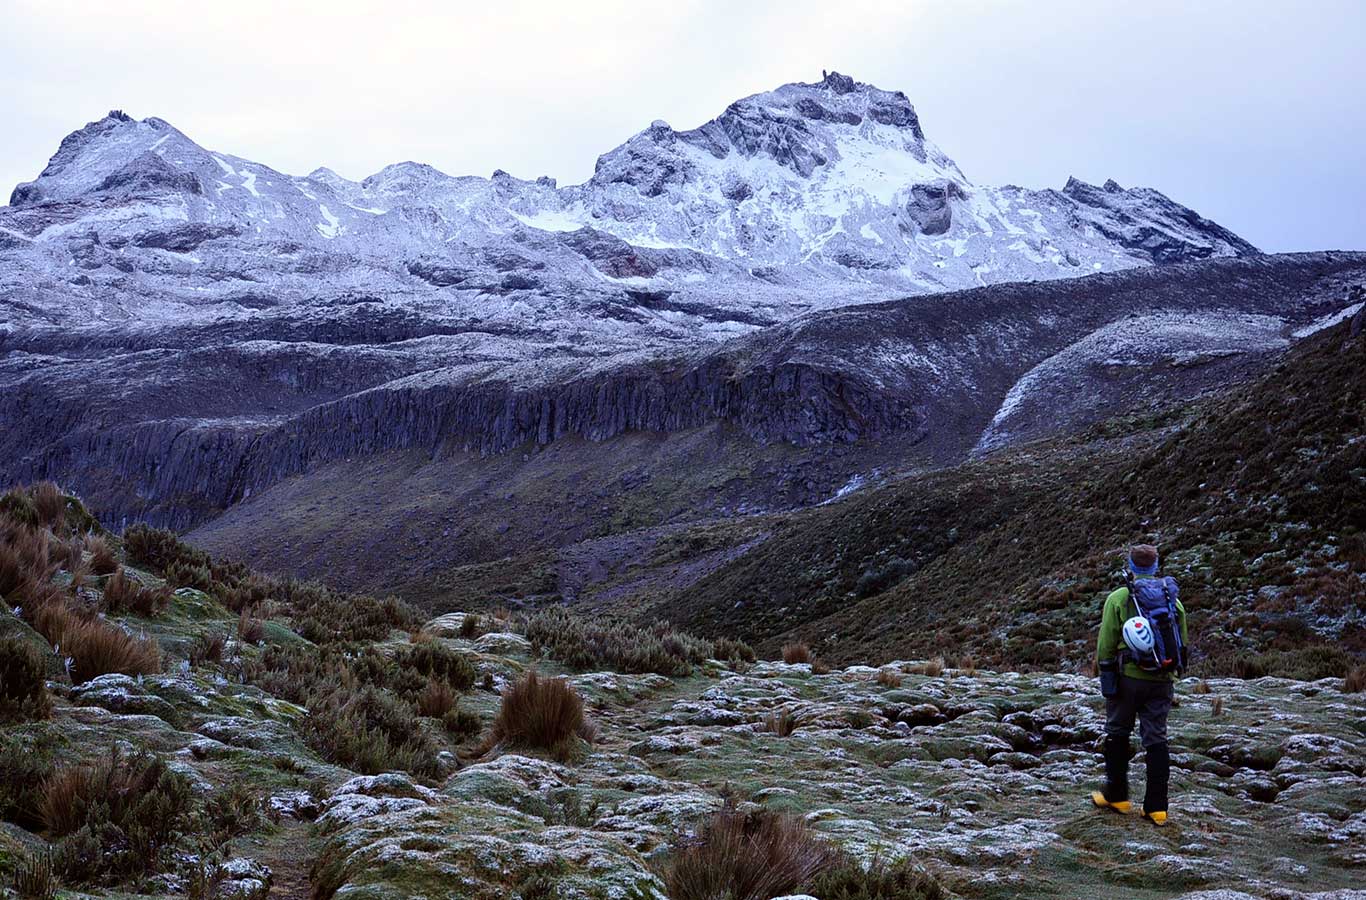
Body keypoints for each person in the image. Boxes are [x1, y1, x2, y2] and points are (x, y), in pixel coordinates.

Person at [1091, 543, 1187, 826]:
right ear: (1156, 567)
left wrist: (1107, 673)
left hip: (1128, 679)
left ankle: (1117, 797)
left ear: (1131, 566)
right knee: (1156, 738)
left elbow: (1106, 644)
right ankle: (1157, 808)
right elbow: (1183, 643)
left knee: (1118, 732)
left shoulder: (1120, 597)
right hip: (1162, 679)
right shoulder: (1173, 600)